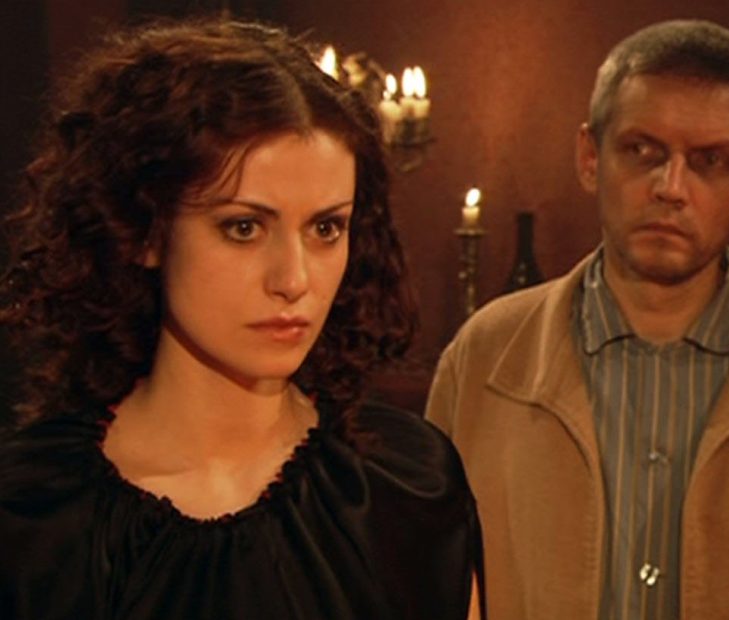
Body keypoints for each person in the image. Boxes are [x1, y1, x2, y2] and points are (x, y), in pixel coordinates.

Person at [425, 19, 729, 620]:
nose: (671, 187)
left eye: (711, 161)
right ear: (590, 158)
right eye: (643, 151)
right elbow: (424, 579)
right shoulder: (484, 357)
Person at [0, 17, 480, 619]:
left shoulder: (406, 484)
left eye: (326, 228)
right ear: (144, 231)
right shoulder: (31, 515)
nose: (294, 279)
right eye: (244, 228)